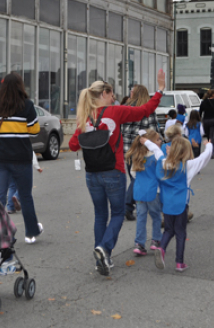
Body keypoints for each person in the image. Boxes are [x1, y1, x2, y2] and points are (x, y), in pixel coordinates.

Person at [69, 69, 166, 276]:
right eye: (112, 94)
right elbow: (145, 110)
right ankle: (104, 249)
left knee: (100, 215)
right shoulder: (116, 111)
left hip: (92, 173)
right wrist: (159, 90)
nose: (114, 98)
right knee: (118, 213)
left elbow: (73, 145)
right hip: (114, 171)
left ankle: (101, 258)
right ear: (104, 93)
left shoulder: (84, 117)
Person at [141, 136, 213, 272]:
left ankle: (161, 248)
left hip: (167, 202)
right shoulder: (188, 166)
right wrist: (209, 145)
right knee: (180, 232)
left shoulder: (163, 163)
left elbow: (156, 151)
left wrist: (147, 142)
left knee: (168, 230)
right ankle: (179, 262)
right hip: (181, 204)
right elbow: (204, 157)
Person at [0, 72, 43, 244]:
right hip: (21, 158)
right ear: (20, 86)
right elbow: (34, 130)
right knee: (25, 196)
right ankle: (31, 233)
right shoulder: (27, 105)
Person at [122, 84, 161, 221]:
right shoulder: (149, 111)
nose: (130, 93)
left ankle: (133, 205)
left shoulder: (125, 109)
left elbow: (122, 130)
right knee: (138, 178)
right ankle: (128, 206)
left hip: (127, 150)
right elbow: (154, 130)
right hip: (144, 151)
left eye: (132, 91)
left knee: (134, 178)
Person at [125, 129, 163, 256]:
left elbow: (133, 174)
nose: (160, 141)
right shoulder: (157, 156)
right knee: (156, 216)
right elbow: (161, 174)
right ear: (150, 142)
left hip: (139, 191)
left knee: (141, 217)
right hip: (154, 191)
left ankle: (139, 243)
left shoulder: (137, 156)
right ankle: (156, 240)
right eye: (158, 139)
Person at [199, 89, 214, 158]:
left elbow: (200, 112)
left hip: (206, 120)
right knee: (212, 136)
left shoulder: (204, 102)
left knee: (208, 136)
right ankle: (212, 151)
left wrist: (199, 120)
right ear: (213, 94)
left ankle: (209, 150)